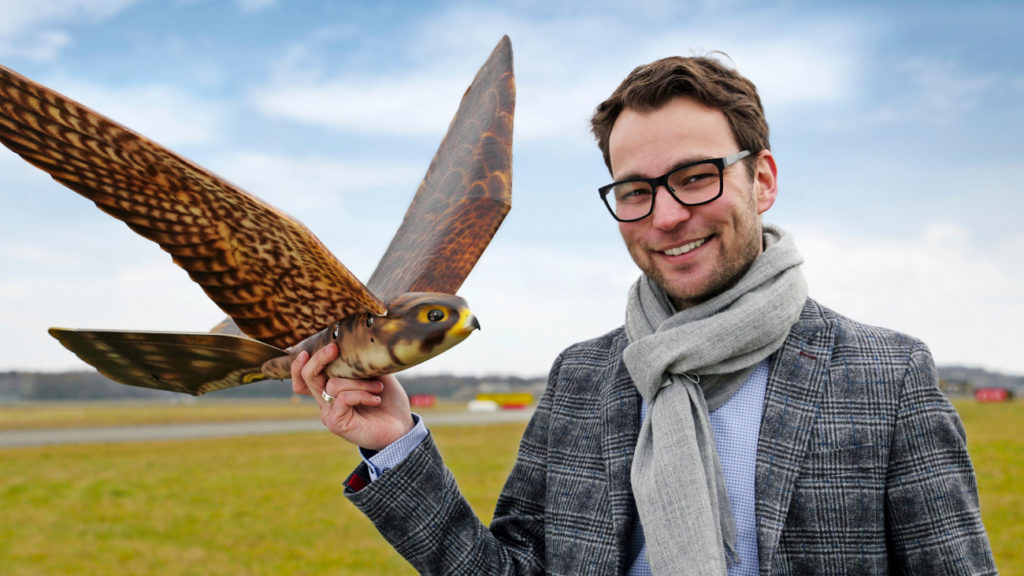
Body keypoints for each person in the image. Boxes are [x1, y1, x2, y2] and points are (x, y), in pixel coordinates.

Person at [291, 55, 997, 575]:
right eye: (635, 191)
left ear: (764, 180)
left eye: (696, 177)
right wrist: (393, 443)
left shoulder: (888, 375)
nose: (667, 215)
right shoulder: (583, 377)